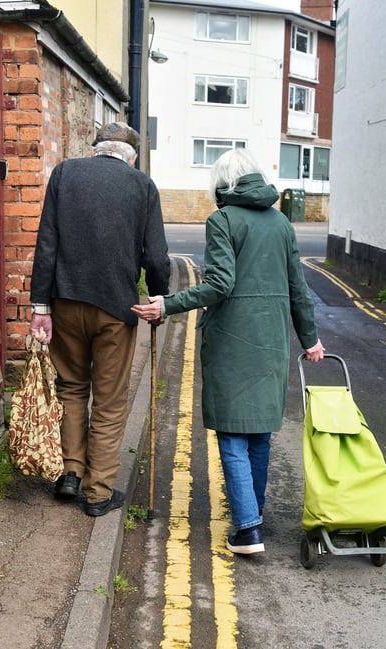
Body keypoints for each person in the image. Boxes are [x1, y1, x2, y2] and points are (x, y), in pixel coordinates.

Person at [132, 148, 324, 554]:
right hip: (271, 339)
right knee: (259, 432)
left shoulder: (222, 220)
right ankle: (252, 514)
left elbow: (220, 284)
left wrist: (167, 303)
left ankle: (248, 526)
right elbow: (298, 289)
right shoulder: (283, 224)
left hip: (233, 339)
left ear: (222, 185)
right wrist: (310, 339)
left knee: (233, 431)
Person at [29, 122, 170, 516]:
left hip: (66, 302)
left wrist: (40, 305)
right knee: (109, 401)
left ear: (95, 149)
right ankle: (98, 493)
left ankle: (71, 472)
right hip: (115, 308)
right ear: (132, 156)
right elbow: (156, 257)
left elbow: (47, 241)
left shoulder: (65, 174)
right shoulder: (142, 186)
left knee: (71, 388)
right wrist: (160, 297)